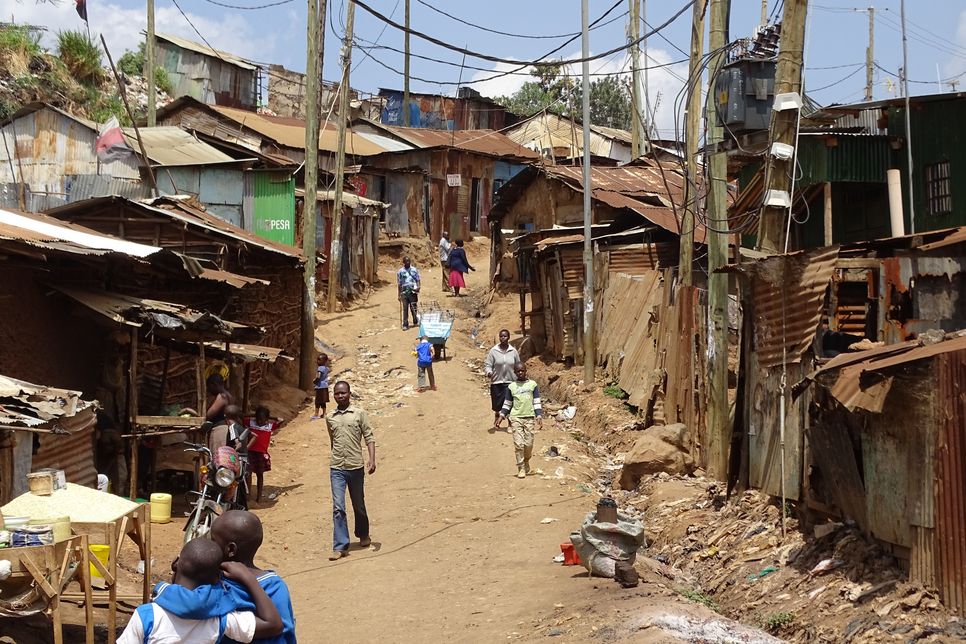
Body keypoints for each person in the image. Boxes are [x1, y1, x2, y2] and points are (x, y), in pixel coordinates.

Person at [117, 538, 282, 644]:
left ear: (175, 563)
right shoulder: (220, 618)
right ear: (217, 578)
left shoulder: (146, 615)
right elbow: (273, 624)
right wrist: (248, 577)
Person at [212, 511, 297, 644]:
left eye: (213, 540)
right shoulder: (275, 586)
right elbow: (286, 632)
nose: (210, 545)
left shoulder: (214, 582)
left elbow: (278, 628)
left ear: (230, 550)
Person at [325, 381, 376, 561]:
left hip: (356, 467)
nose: (340, 396)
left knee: (358, 504)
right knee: (338, 507)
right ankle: (340, 546)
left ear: (349, 394)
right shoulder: (330, 417)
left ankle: (363, 534)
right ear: (334, 396)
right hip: (337, 467)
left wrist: (372, 459)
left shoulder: (359, 414)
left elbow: (369, 437)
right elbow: (333, 440)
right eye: (337, 393)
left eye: (343, 393)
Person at [496, 363, 544, 478]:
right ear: (515, 373)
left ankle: (526, 460)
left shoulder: (532, 385)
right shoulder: (512, 387)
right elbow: (508, 403)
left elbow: (536, 401)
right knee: (518, 444)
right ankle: (521, 467)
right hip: (516, 418)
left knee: (528, 444)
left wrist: (539, 416)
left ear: (526, 371)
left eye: (522, 371)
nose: (520, 373)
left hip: (529, 418)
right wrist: (501, 416)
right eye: (518, 371)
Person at [182, 374, 234, 452]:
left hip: (219, 430)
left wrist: (189, 411)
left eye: (209, 386)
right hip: (225, 429)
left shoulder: (222, 396)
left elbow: (208, 415)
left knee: (217, 457)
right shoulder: (228, 395)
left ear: (214, 385)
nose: (209, 389)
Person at [484, 329, 521, 428]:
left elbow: (518, 364)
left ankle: (510, 424)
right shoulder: (493, 351)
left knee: (509, 403)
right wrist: (489, 372)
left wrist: (520, 375)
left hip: (510, 381)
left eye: (505, 336)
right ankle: (497, 414)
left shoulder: (513, 351)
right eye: (501, 336)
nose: (503, 338)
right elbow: (488, 365)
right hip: (497, 381)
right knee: (497, 404)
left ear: (508, 337)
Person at [246, 406, 275, 504]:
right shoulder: (251, 423)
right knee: (248, 474)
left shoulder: (270, 426)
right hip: (250, 452)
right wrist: (253, 416)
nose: (259, 421)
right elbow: (241, 416)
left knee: (260, 475)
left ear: (267, 419)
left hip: (261, 453)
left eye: (262, 419)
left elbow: (281, 420)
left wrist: (272, 418)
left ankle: (259, 497)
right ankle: (248, 494)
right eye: (258, 419)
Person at [226, 405, 249, 510]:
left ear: (225, 417)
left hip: (237, 460)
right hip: (244, 459)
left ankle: (233, 507)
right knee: (240, 485)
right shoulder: (240, 426)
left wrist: (232, 452)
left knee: (232, 483)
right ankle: (243, 507)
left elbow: (238, 443)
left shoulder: (232, 427)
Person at [397, 256, 421, 330]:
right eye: (406, 261)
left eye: (409, 261)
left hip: (412, 290)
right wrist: (399, 294)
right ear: (403, 262)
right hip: (404, 291)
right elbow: (399, 284)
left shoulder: (414, 270)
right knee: (405, 308)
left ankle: (415, 320)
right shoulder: (400, 272)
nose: (408, 262)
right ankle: (405, 324)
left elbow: (418, 279)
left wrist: (419, 287)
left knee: (413, 307)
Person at [312, 354, 330, 420]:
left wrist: (315, 381)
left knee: (317, 402)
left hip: (320, 387)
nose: (317, 361)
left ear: (324, 361)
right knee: (323, 401)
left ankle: (316, 415)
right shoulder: (326, 368)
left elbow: (318, 376)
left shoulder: (320, 368)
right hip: (325, 386)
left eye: (319, 360)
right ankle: (324, 413)